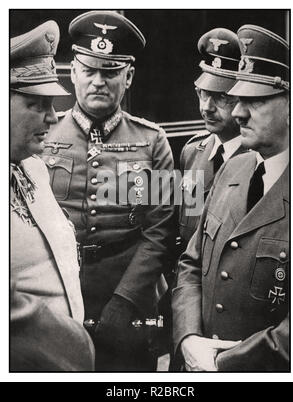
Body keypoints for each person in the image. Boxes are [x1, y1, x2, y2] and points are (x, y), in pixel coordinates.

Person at [42, 11, 175, 371]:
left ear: (128, 77)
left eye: (111, 71)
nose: (98, 81)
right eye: (89, 70)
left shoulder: (153, 141)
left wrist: (126, 300)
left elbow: (160, 232)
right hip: (58, 295)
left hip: (130, 298)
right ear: (73, 73)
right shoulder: (43, 139)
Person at [172, 24, 289, 372]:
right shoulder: (232, 169)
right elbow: (190, 263)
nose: (239, 113)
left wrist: (225, 362)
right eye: (238, 100)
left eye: (255, 101)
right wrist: (189, 338)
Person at [10, 20, 95, 371]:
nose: (53, 115)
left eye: (52, 103)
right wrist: (73, 345)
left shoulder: (34, 169)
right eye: (36, 104)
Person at [179, 28, 245, 249]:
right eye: (203, 93)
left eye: (221, 97)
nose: (207, 107)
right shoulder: (192, 152)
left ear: (243, 98)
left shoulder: (258, 161)